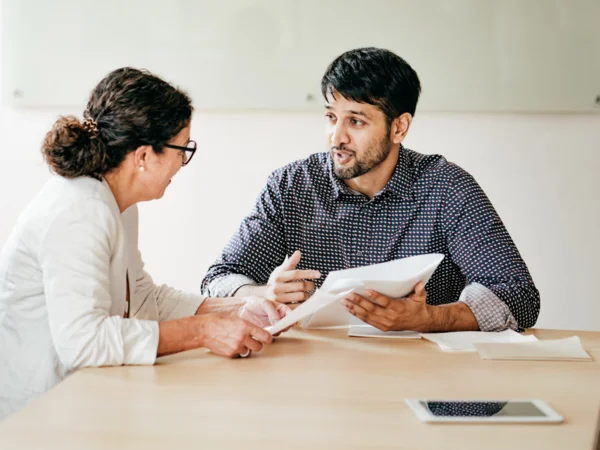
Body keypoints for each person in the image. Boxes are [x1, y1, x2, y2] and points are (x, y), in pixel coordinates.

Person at [0, 68, 289, 421]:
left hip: (85, 394)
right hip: (41, 413)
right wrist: (200, 332)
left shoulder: (115, 201)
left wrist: (238, 307)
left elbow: (141, 295)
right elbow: (82, 342)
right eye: (181, 150)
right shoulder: (80, 211)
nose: (182, 164)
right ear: (142, 156)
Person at [202, 47, 540, 333]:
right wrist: (259, 293)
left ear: (399, 127)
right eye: (331, 117)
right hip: (315, 372)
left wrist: (429, 318)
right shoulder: (291, 186)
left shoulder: (446, 187)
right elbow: (217, 280)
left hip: (421, 372)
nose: (337, 137)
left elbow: (518, 297)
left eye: (356, 121)